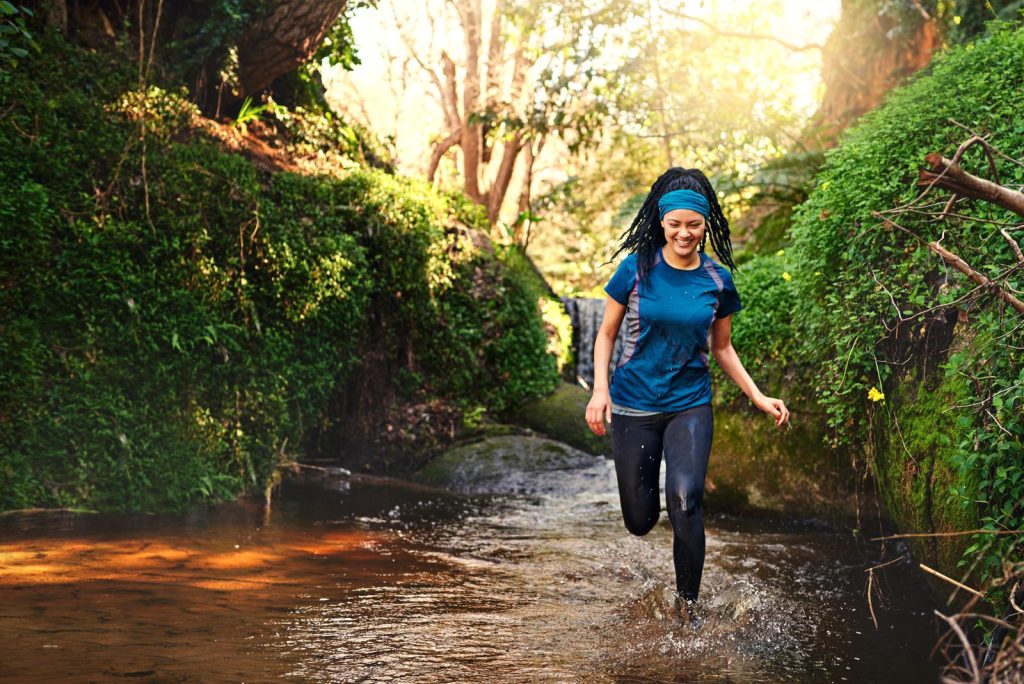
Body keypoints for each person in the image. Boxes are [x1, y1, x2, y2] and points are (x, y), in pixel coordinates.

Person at [584, 167, 790, 624]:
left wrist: (757, 395)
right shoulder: (634, 269)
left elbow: (722, 347)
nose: (684, 233)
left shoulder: (717, 280)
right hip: (634, 405)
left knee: (686, 499)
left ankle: (687, 608)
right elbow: (605, 335)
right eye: (675, 223)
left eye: (693, 225)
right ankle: (652, 512)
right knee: (640, 520)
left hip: (689, 404)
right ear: (661, 222)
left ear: (705, 225)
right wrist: (600, 392)